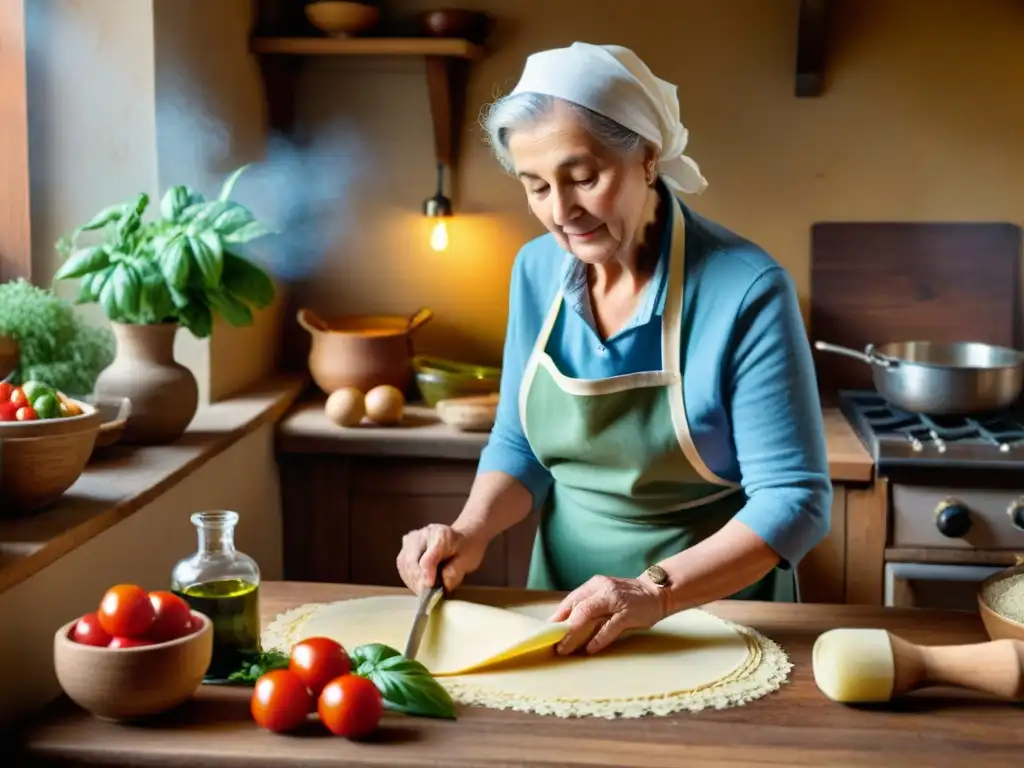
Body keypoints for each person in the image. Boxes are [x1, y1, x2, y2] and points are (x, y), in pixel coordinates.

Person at [396, 42, 832, 657]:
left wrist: (652, 591)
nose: (561, 212)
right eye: (537, 186)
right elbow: (519, 446)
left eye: (583, 178)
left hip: (715, 617)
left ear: (648, 158)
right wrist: (470, 530)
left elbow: (796, 499)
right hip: (559, 608)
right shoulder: (534, 270)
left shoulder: (747, 289)